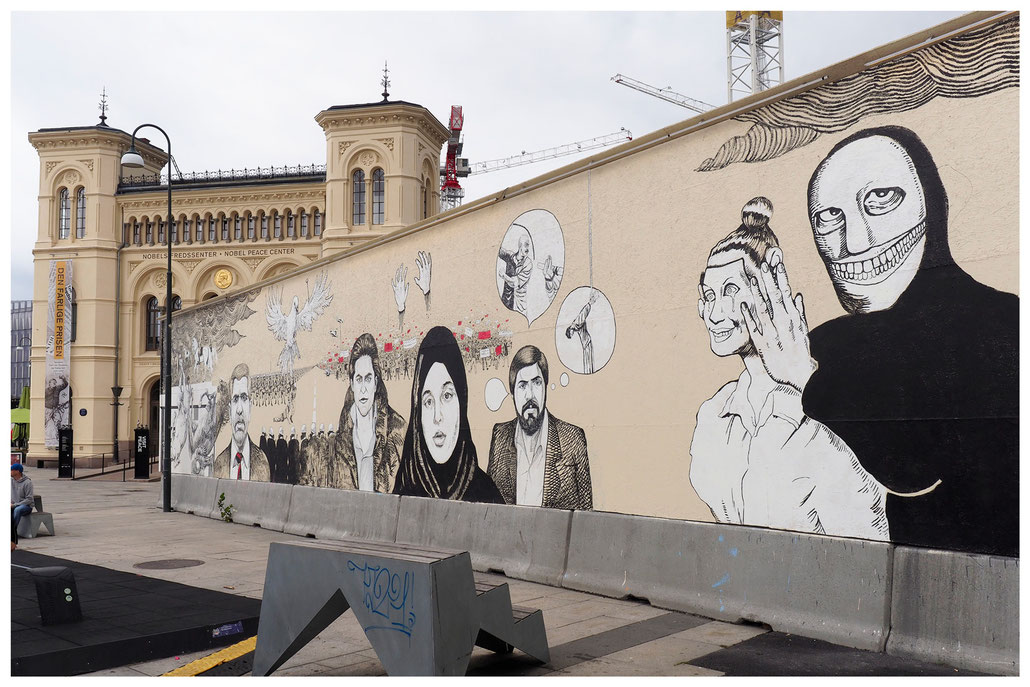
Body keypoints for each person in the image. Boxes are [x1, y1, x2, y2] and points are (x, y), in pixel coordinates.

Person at [801, 126, 1019, 556]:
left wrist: (800, 379)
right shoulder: (822, 344)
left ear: (932, 205)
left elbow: (915, 469)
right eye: (828, 217)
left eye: (881, 198)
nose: (854, 243)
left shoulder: (1003, 325)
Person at [689, 197, 889, 540]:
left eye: (731, 290)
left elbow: (868, 528)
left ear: (771, 290)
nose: (714, 312)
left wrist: (803, 380)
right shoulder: (713, 415)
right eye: (708, 295)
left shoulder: (827, 406)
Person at [393, 326, 503, 503]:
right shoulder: (404, 493)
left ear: (462, 402)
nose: (438, 416)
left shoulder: (486, 494)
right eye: (428, 401)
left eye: (447, 395)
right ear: (418, 414)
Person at [487, 345, 592, 509]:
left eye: (536, 383)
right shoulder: (500, 436)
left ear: (545, 386)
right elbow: (490, 508)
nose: (530, 395)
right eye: (522, 385)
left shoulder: (573, 439)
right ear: (513, 394)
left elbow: (586, 515)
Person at [334, 333, 405, 493]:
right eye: (359, 379)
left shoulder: (397, 429)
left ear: (375, 382)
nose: (363, 388)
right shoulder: (342, 437)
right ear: (352, 384)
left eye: (368, 378)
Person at [214, 363, 271, 481]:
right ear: (229, 410)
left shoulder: (262, 463)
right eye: (235, 399)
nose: (239, 410)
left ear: (250, 408)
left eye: (244, 398)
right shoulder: (219, 464)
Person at [498, 232, 533, 314]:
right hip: (506, 301)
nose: (528, 248)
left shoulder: (528, 264)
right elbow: (498, 250)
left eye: (529, 245)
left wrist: (503, 275)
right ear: (520, 246)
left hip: (519, 305)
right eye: (526, 245)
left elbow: (515, 283)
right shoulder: (510, 256)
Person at [564, 292, 596, 374]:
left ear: (569, 331)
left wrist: (589, 304)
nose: (572, 334)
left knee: (588, 359)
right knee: (587, 359)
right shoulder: (575, 327)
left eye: (571, 334)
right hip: (585, 343)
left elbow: (583, 314)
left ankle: (589, 372)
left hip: (587, 342)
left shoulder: (576, 324)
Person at [11, 463, 35, 532]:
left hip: (26, 506)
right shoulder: (11, 480)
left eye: (11, 470)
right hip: (13, 504)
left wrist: (15, 505)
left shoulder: (27, 483)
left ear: (17, 471)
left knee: (17, 510)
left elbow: (29, 499)